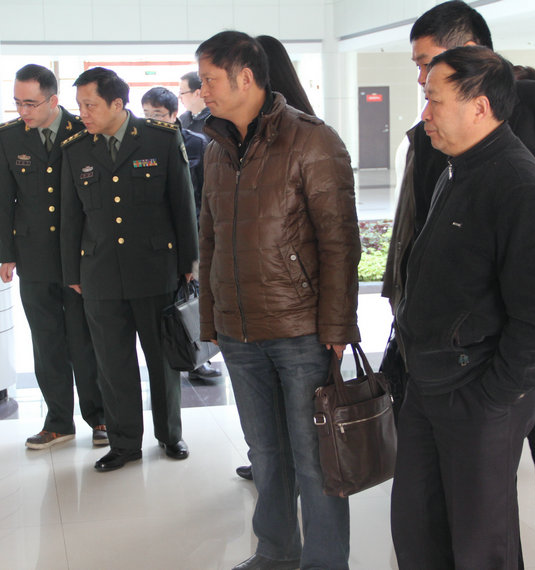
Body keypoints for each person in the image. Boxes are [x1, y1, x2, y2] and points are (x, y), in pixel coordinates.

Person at [385, 3, 535, 567]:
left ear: (471, 54)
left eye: (429, 63)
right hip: (468, 346)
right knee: (468, 504)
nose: (422, 79)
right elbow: (426, 230)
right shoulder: (436, 136)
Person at [197, 31, 361, 570]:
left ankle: (325, 561)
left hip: (300, 332)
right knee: (265, 454)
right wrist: (211, 319)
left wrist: (337, 327)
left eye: (210, 80)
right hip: (239, 333)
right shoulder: (216, 148)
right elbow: (209, 239)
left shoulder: (312, 140)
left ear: (245, 78)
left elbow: (340, 242)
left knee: (314, 459)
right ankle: (275, 551)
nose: (203, 91)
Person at [60, 67, 198, 472]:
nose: (83, 113)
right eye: (80, 105)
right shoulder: (76, 149)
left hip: (155, 270)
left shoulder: (161, 139)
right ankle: (123, 444)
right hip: (100, 273)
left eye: (90, 105)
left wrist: (188, 263)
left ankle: (170, 434)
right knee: (112, 364)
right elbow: (70, 218)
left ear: (117, 104)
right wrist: (72, 273)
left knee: (162, 361)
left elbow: (183, 205)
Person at [0, 63, 107, 450]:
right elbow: (3, 199)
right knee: (46, 341)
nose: (22, 111)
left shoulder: (83, 130)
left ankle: (100, 417)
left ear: (53, 100)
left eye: (30, 103)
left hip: (80, 256)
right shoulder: (8, 137)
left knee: (85, 339)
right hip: (34, 255)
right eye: (17, 103)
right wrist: (6, 254)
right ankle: (58, 421)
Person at [235, 34, 317, 484]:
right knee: (268, 428)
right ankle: (272, 473)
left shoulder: (307, 137)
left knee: (304, 430)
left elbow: (336, 240)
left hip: (293, 312)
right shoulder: (228, 142)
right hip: (251, 314)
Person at [140, 86, 221, 381]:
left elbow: (207, 194)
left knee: (193, 296)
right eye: (146, 113)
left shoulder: (196, 143)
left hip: (194, 234)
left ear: (174, 114)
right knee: (168, 303)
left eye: (158, 114)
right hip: (158, 240)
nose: (152, 119)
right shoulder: (141, 145)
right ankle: (175, 355)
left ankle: (198, 356)